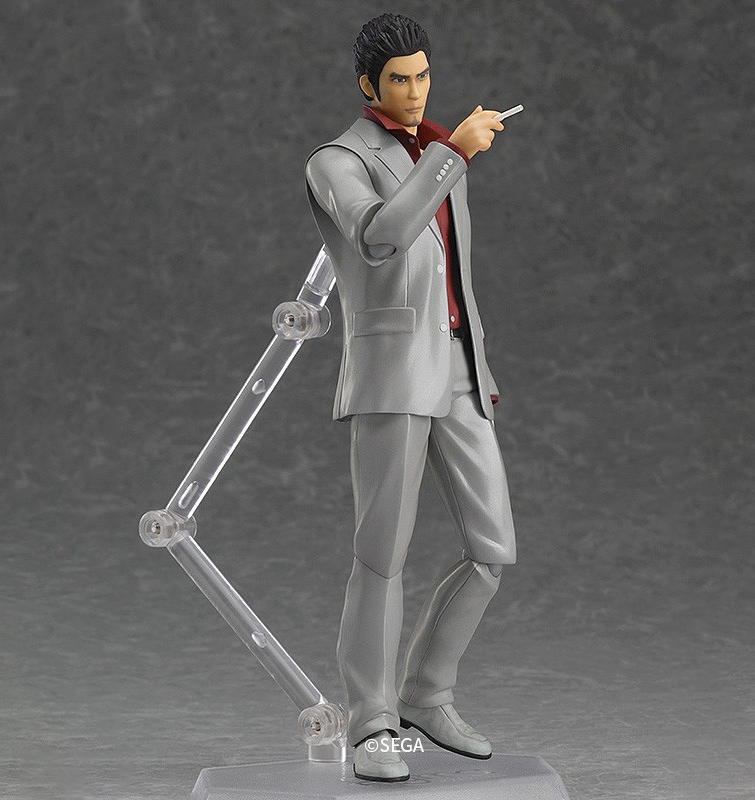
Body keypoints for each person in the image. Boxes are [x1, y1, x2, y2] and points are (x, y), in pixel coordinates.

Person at [305, 13, 517, 782]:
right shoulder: (338, 160)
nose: (416, 91)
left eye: (424, 76)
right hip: (393, 372)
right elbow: (378, 238)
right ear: (368, 83)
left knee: (493, 549)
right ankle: (371, 722)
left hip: (457, 370)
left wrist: (478, 363)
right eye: (400, 79)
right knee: (381, 557)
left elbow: (455, 275)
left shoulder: (432, 152)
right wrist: (453, 154)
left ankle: (426, 692)